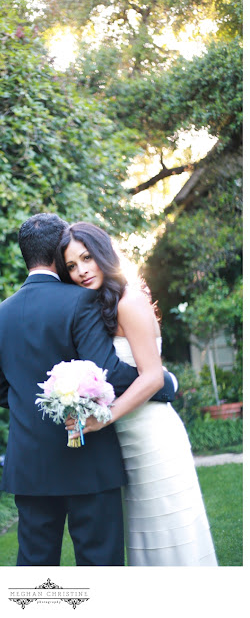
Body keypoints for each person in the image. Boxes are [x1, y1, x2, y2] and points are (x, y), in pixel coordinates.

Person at [0, 213, 176, 567]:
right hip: (89, 461)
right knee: (99, 565)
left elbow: (2, 394)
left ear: (25, 254)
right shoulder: (80, 300)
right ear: (59, 253)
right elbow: (108, 372)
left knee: (35, 570)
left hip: (29, 466)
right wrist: (163, 382)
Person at [57, 221, 218, 566]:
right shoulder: (102, 305)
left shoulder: (129, 301)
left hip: (154, 437)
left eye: (86, 258)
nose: (81, 270)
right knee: (146, 541)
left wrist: (104, 418)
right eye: (71, 265)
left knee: (170, 538)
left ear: (103, 253)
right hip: (128, 441)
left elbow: (154, 377)